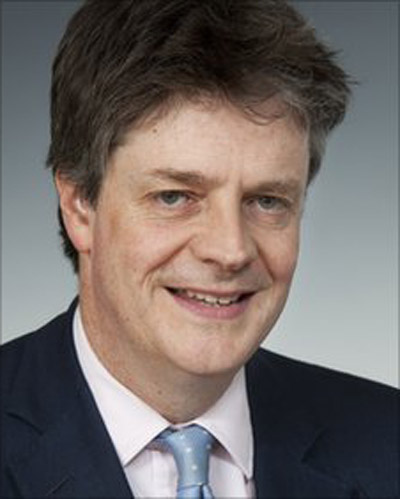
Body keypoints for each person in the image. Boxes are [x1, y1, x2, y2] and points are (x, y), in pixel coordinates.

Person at [1, 1, 398, 498]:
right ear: (80, 206)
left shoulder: (388, 442)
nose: (230, 250)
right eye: (175, 197)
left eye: (267, 201)